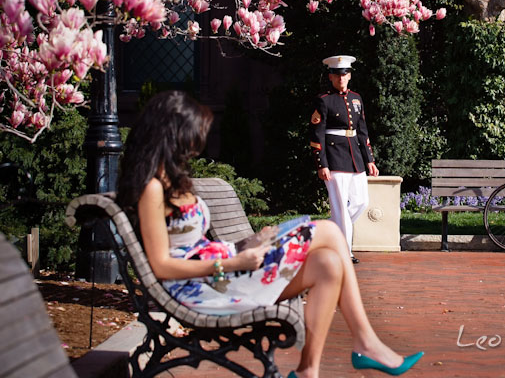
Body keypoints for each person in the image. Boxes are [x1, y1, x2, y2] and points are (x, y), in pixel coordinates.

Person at [116, 91, 422, 378]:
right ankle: (365, 342)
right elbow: (162, 266)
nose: (196, 146)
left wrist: (249, 244)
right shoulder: (152, 188)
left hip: (221, 270)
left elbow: (196, 244)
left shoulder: (172, 180)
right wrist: (233, 263)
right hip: (204, 289)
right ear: (172, 134)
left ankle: (307, 371)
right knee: (328, 229)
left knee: (328, 264)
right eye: (192, 136)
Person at [309, 55, 379, 264]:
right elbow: (316, 134)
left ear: (350, 76)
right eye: (338, 75)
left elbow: (363, 132)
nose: (342, 78)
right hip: (334, 157)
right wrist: (322, 164)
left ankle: (329, 232)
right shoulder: (324, 100)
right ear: (331, 77)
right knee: (339, 205)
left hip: (355, 156)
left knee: (361, 202)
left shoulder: (357, 99)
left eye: (345, 74)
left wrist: (370, 160)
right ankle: (344, 252)